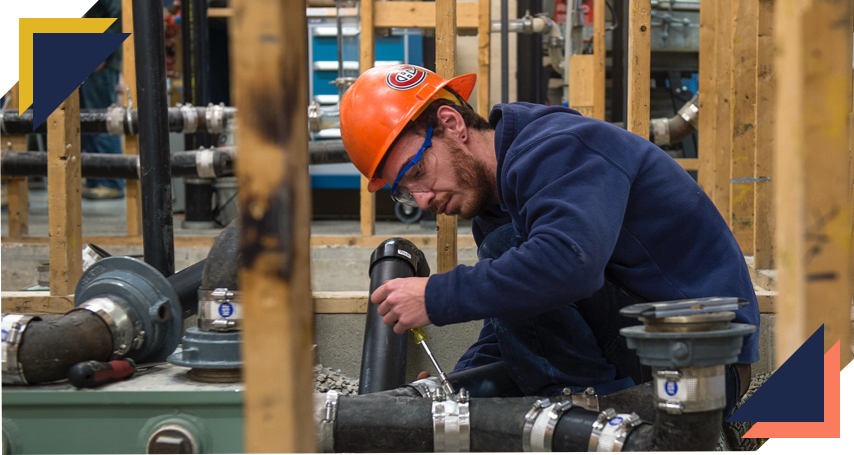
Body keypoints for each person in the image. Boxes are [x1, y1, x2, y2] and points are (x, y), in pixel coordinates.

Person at [339, 64, 760, 418]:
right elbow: (516, 321)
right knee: (464, 401)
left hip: (697, 368)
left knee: (509, 251)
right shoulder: (496, 204)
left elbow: (568, 265)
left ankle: (592, 426)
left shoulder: (558, 148)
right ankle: (581, 413)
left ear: (452, 125)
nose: (422, 198)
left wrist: (436, 295)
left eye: (416, 171)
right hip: (636, 354)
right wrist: (456, 385)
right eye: (403, 191)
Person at [81, 0, 125, 200]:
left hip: (99, 60)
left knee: (103, 119)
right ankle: (95, 178)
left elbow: (118, 12)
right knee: (85, 121)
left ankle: (111, 181)